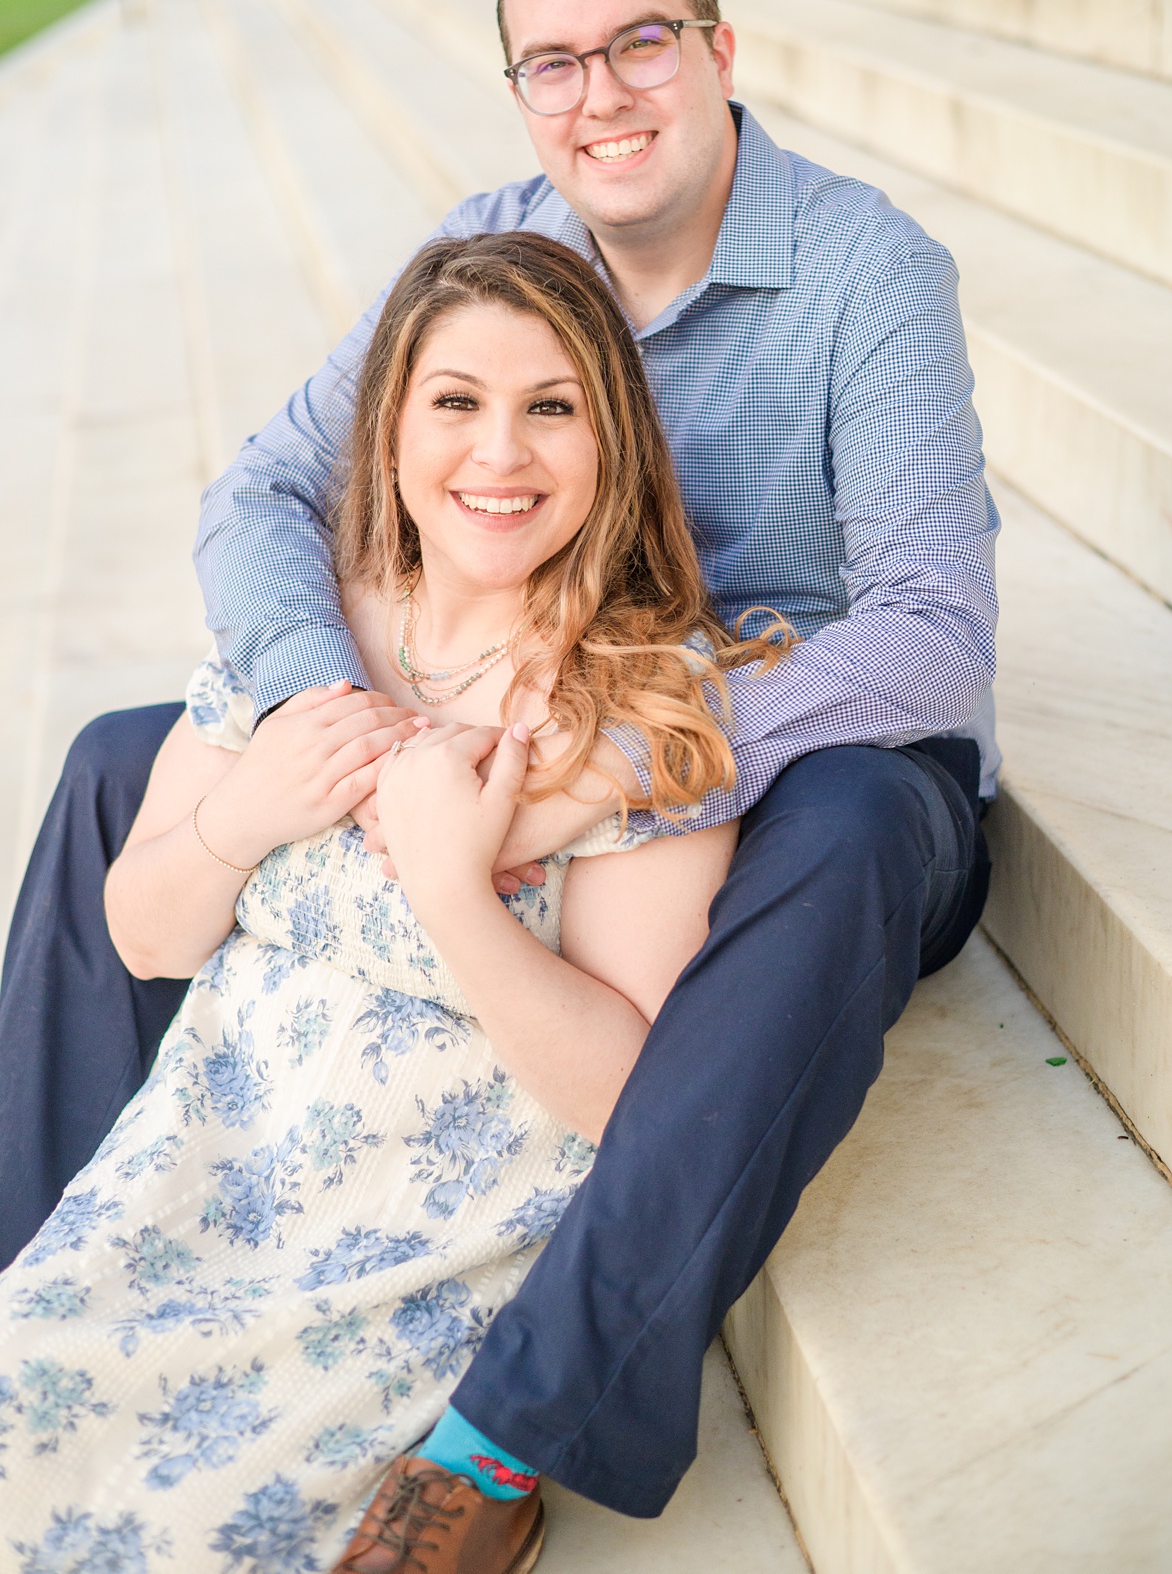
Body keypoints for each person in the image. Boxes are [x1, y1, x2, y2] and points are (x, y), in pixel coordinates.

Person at [0, 0, 993, 1560]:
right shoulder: (494, 250)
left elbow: (932, 633)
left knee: (846, 840)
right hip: (523, 695)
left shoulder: (861, 271)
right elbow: (265, 493)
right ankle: (58, 1241)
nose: (599, 94)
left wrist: (607, 769)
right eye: (555, 61)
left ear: (717, 47)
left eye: (638, 42)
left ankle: (503, 1432)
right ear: (521, 85)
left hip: (790, 738)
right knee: (124, 759)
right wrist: (346, 725)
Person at [0, 232, 788, 1568]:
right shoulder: (307, 636)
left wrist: (453, 894)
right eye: (457, 403)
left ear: (614, 440)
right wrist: (250, 811)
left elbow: (627, 1097)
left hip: (395, 1271)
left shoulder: (638, 703)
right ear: (389, 433)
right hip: (181, 1199)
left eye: (553, 408)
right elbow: (142, 932)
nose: (502, 455)